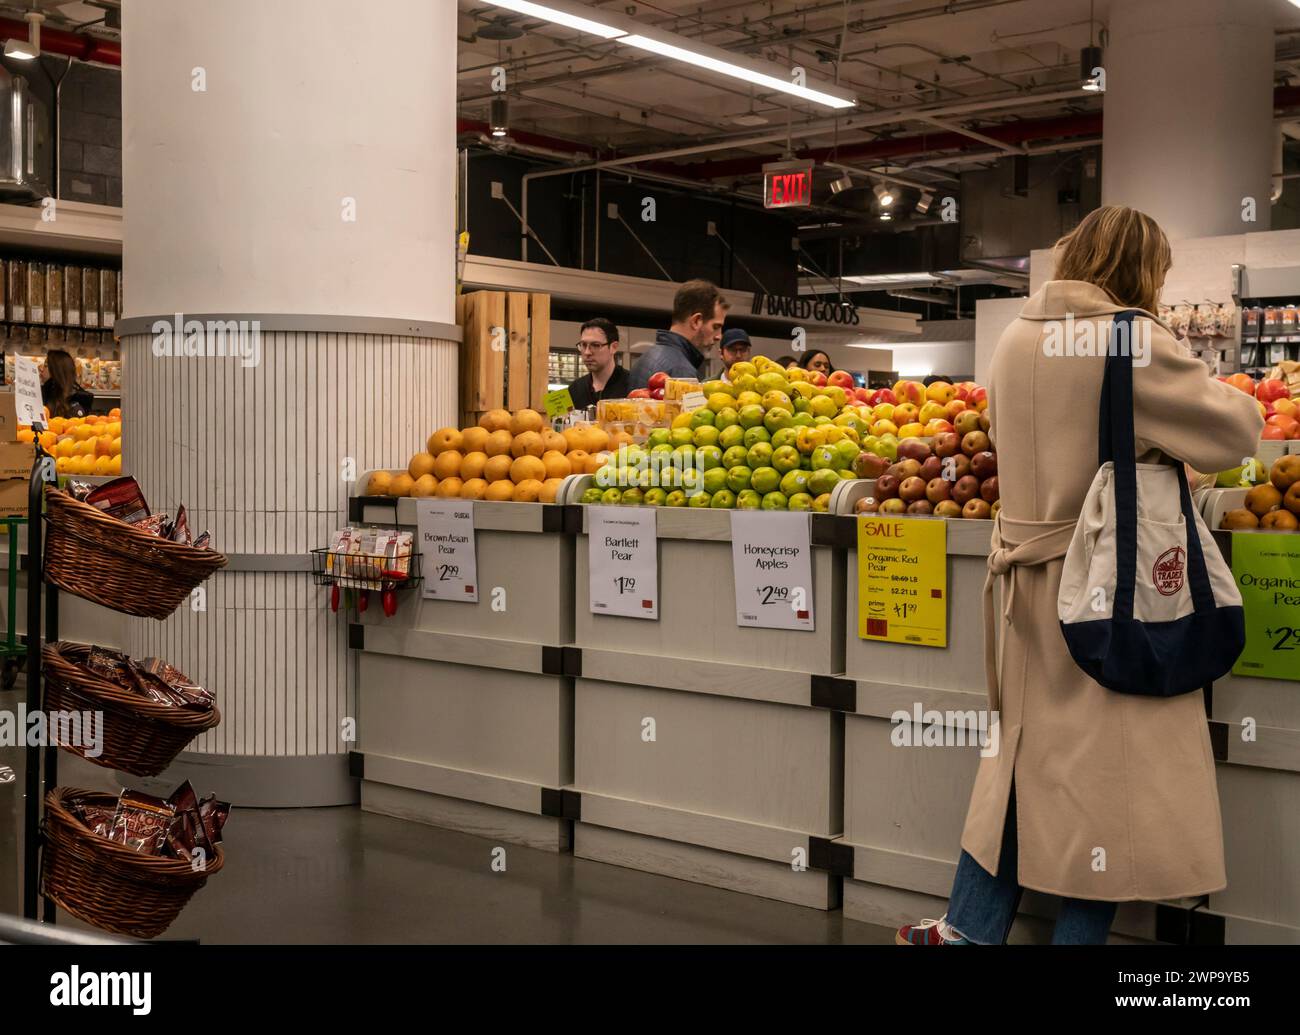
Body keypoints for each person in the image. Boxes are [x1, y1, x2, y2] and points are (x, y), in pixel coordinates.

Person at [896, 205, 1262, 947]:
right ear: (1141, 271)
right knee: (1109, 797)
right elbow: (1236, 433)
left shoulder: (1016, 341)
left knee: (1018, 770)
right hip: (1108, 586)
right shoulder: (1131, 340)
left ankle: (968, 928)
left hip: (1024, 590)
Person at [628, 279, 729, 390]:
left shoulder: (643, 359)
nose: (719, 336)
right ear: (696, 321)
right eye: (716, 327)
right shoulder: (682, 373)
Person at [567, 317, 629, 410]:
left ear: (614, 347)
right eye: (583, 345)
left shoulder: (632, 386)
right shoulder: (575, 389)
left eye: (596, 345)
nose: (587, 352)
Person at [40, 349, 94, 418]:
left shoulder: (77, 400)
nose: (41, 369)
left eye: (45, 365)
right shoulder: (46, 392)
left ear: (57, 370)